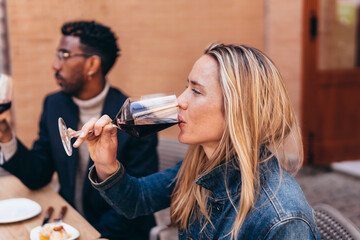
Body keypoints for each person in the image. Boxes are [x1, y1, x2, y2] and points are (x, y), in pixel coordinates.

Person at [74, 43, 321, 239]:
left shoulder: (282, 219)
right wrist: (106, 164)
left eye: (196, 90)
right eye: (186, 87)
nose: (180, 100)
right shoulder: (203, 165)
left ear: (240, 110)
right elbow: (138, 200)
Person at [0, 20, 159, 240]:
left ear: (92, 65)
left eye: (64, 55)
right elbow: (39, 174)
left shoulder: (138, 118)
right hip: (68, 223)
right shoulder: (54, 104)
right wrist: (6, 137)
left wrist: (90, 235)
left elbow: (137, 201)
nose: (55, 65)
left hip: (115, 233)